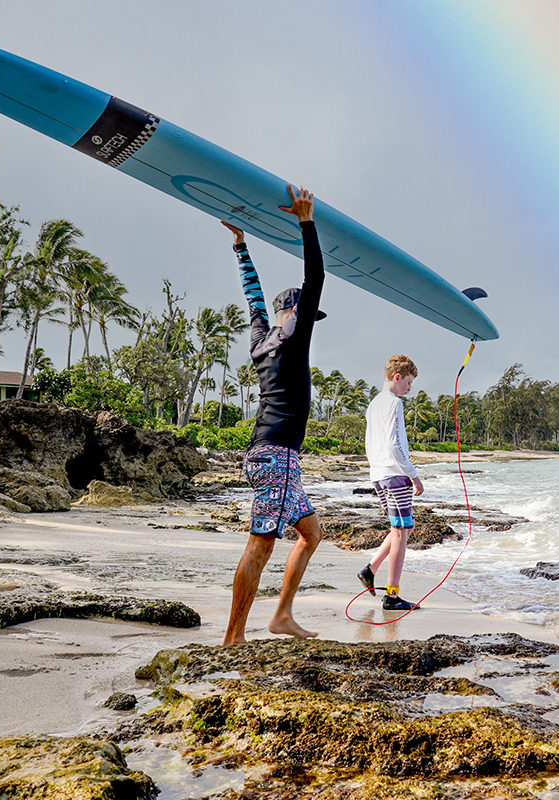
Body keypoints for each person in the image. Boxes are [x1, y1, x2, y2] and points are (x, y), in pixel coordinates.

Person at [220, 184, 326, 646]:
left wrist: (241, 246)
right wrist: (306, 222)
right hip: (275, 457)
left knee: (311, 534)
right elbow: (316, 276)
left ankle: (281, 616)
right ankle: (232, 637)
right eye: (307, 312)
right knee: (260, 544)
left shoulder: (261, 339)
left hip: (277, 458)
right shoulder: (290, 337)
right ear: (295, 310)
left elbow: (253, 298)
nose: (310, 322)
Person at [358, 354, 424, 611]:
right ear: (398, 377)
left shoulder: (373, 404)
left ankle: (370, 569)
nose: (409, 387)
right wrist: (413, 475)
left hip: (378, 474)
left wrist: (378, 469)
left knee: (405, 527)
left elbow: (370, 444)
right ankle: (392, 596)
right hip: (394, 474)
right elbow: (394, 445)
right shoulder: (393, 403)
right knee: (400, 532)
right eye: (408, 382)